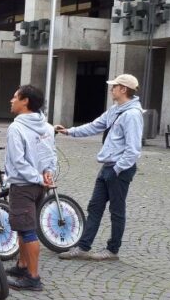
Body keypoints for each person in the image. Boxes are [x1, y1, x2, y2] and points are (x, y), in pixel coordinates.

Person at [55, 74, 144, 261]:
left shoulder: (132, 115)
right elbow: (95, 126)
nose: (111, 89)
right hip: (107, 166)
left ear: (123, 89)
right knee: (94, 207)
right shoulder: (115, 110)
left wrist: (117, 169)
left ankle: (113, 250)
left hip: (118, 169)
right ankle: (83, 247)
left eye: (114, 86)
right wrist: (69, 131)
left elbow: (133, 149)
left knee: (117, 210)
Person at [4, 85, 56, 291]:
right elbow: (50, 155)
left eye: (15, 97)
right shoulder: (47, 126)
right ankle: (22, 265)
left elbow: (18, 161)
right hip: (38, 185)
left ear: (25, 101)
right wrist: (47, 173)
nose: (11, 100)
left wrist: (37, 177)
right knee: (22, 225)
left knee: (27, 230)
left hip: (24, 185)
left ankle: (33, 278)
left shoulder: (16, 128)